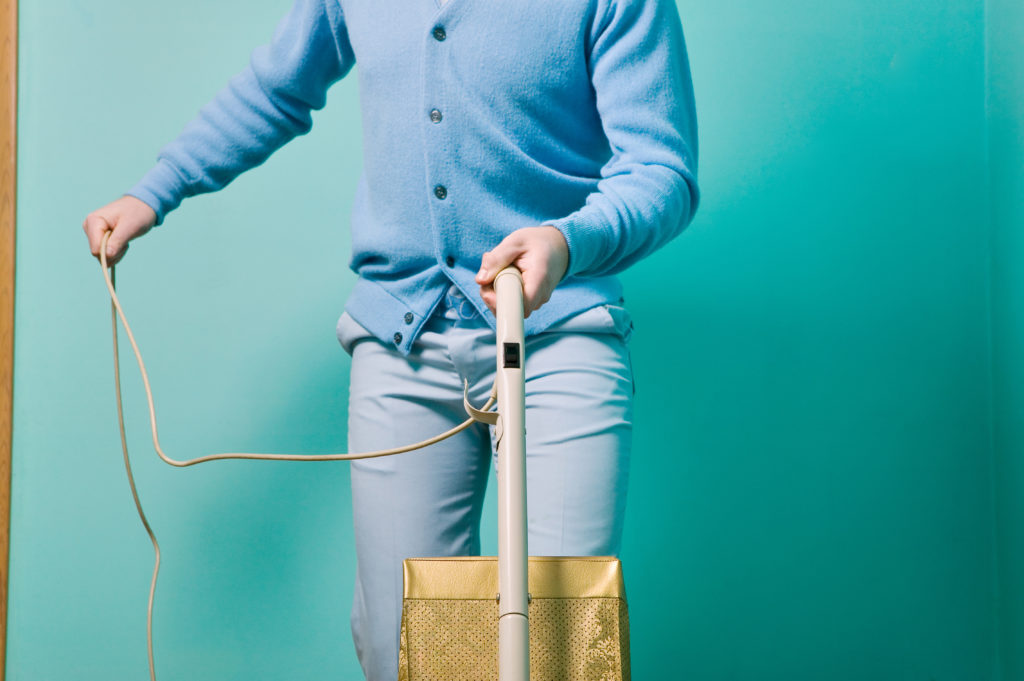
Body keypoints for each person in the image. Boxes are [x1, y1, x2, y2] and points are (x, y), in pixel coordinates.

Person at [82, 1, 699, 679]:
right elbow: (275, 88)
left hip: (557, 335)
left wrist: (566, 241)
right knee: (402, 645)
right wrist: (155, 191)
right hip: (401, 338)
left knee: (559, 643)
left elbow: (662, 170)